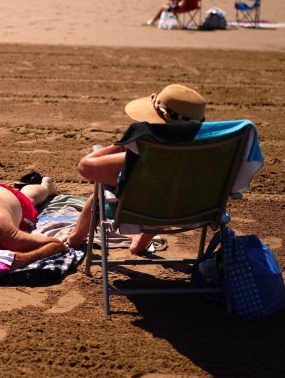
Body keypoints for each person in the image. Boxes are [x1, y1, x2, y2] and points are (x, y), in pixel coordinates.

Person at [67, 84, 207, 254]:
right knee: (166, 194)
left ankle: (74, 239)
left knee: (100, 194)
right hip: (195, 211)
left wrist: (120, 147)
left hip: (135, 211)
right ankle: (139, 244)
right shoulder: (212, 145)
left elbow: (86, 167)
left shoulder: (143, 143)